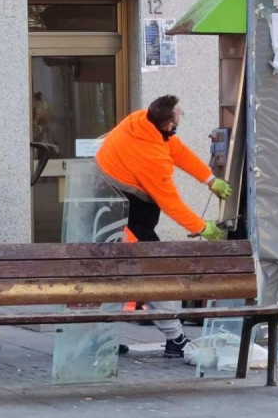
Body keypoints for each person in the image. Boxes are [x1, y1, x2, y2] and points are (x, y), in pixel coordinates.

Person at [96, 95, 232, 357]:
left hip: (111, 204)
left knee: (118, 272)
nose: (181, 117)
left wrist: (209, 179)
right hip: (125, 212)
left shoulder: (139, 121)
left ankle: (102, 337)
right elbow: (171, 203)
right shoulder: (150, 158)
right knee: (155, 271)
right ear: (168, 124)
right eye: (179, 115)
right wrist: (203, 228)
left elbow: (177, 150)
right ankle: (175, 337)